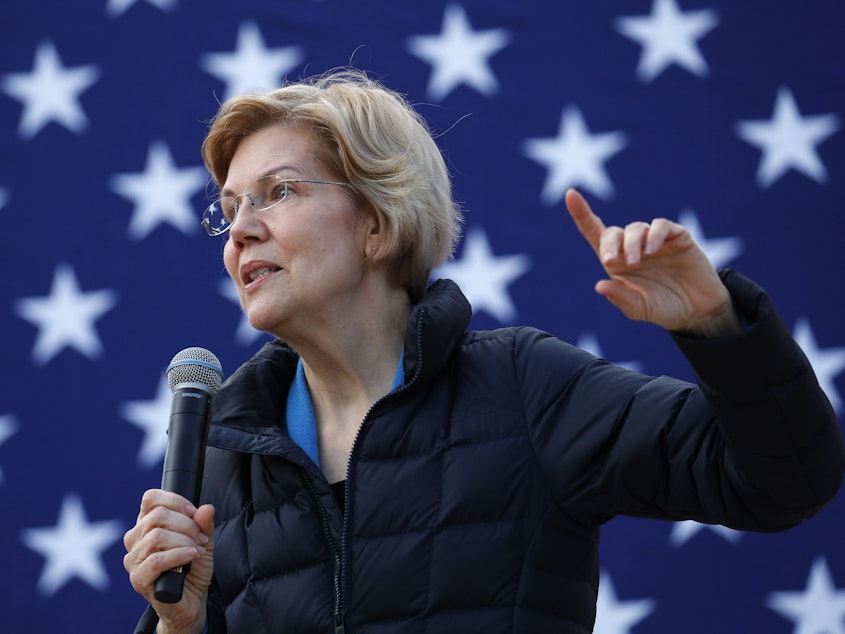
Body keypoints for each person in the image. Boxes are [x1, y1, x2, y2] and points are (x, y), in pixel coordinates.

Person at [124, 69, 844, 634]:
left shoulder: (524, 388)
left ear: (377, 222)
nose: (241, 229)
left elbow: (783, 483)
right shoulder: (227, 453)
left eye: (275, 193)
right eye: (228, 209)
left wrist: (717, 328)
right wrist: (180, 626)